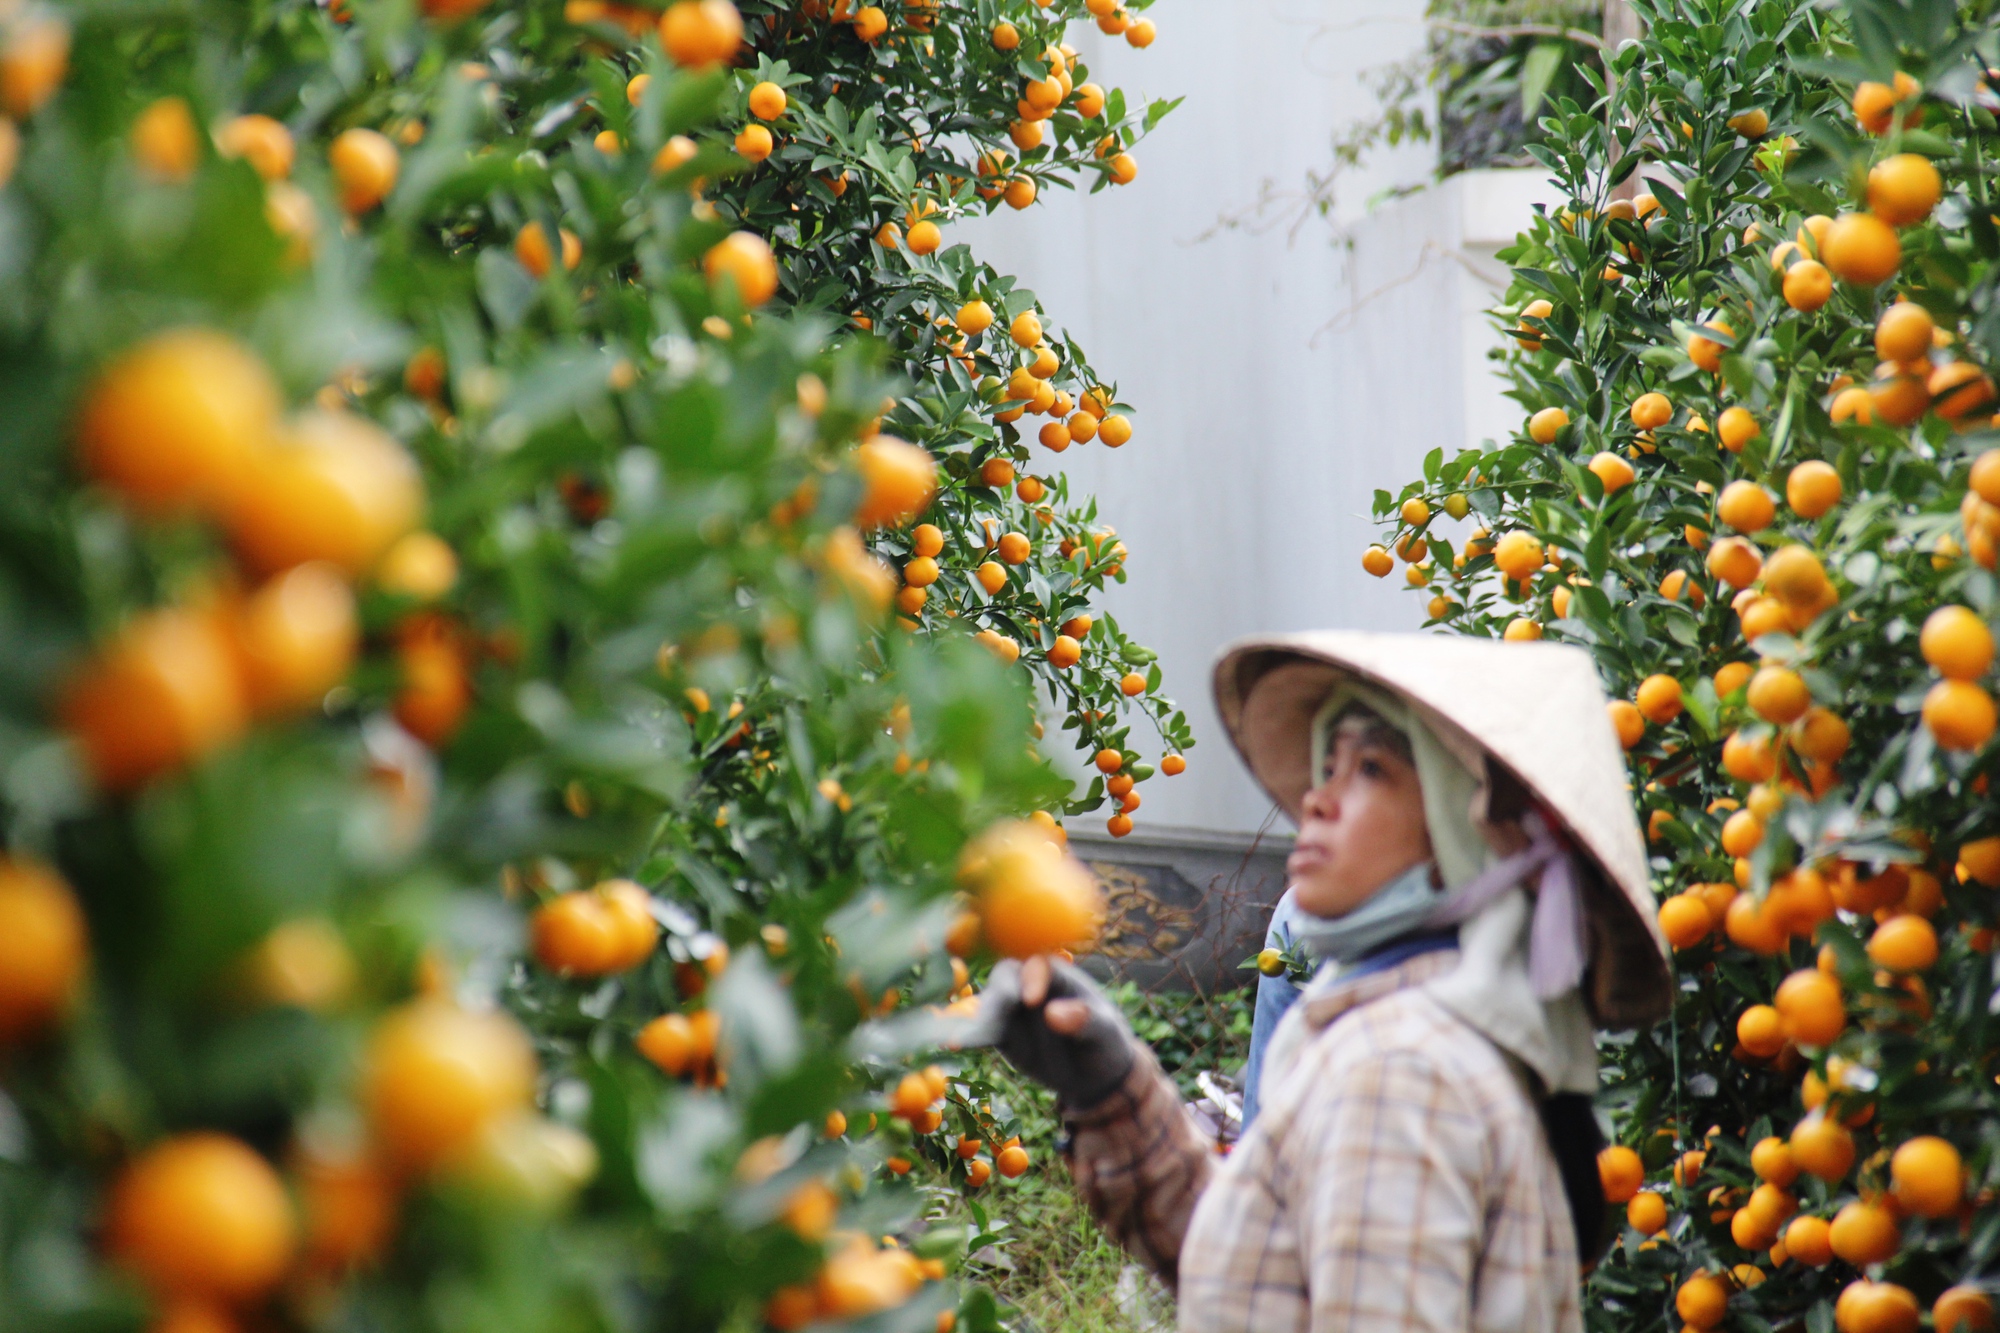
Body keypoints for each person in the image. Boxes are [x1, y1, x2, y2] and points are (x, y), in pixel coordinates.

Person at [968, 631, 1672, 1332]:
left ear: (1470, 837)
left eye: (1370, 768)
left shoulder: (1403, 1069)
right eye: (1326, 765)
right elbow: (1257, 1281)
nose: (1316, 799)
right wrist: (1112, 1091)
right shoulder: (1412, 1033)